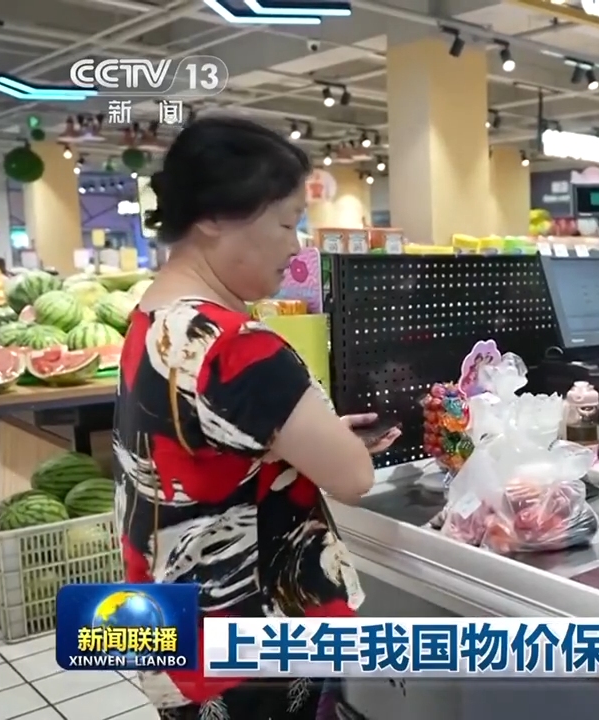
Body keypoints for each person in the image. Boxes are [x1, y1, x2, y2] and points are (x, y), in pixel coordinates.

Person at [113, 116, 402, 719]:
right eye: (287, 222)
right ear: (215, 217)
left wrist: (290, 438)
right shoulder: (238, 345)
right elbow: (354, 478)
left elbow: (200, 443)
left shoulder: (154, 319)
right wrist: (326, 441)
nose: (296, 247)